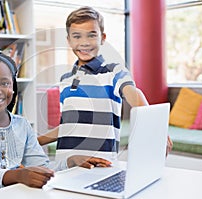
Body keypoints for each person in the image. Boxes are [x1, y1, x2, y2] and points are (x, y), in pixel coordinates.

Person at [0, 51, 111, 199]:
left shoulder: (22, 125)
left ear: (13, 87)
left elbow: (41, 167)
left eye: (4, 83)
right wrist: (18, 175)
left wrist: (71, 162)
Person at [38, 6, 173, 160]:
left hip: (102, 164)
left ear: (102, 38)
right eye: (77, 36)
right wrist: (37, 141)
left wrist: (156, 128)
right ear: (68, 40)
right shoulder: (65, 80)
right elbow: (68, 126)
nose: (84, 43)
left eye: (91, 35)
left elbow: (134, 94)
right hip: (66, 164)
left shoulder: (114, 71)